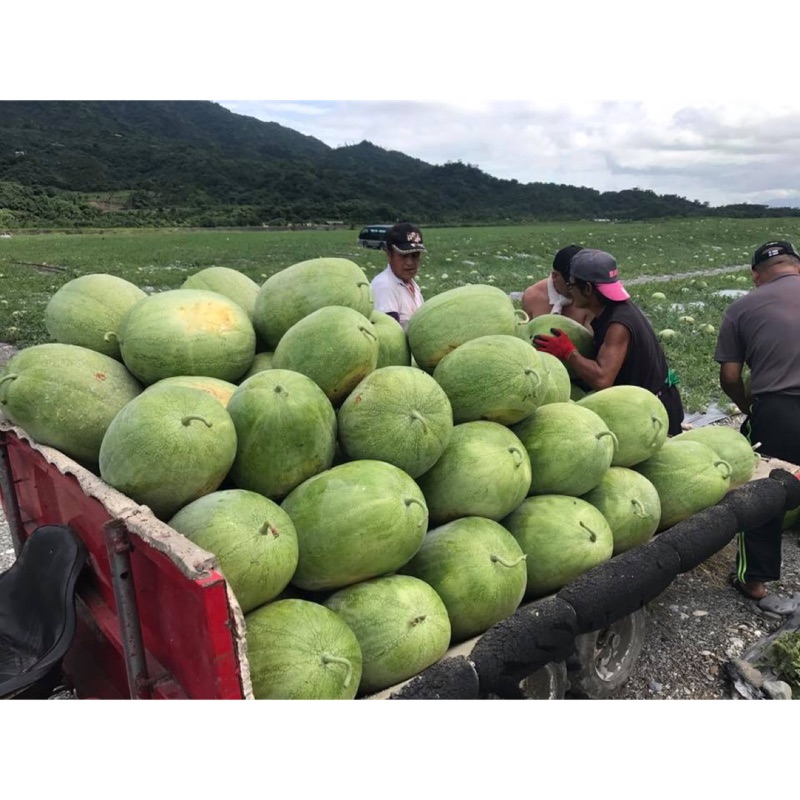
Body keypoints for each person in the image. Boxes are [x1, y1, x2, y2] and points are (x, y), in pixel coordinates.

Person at [714, 239, 800, 600]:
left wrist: (751, 408)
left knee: (765, 492)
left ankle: (754, 582)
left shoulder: (741, 308)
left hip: (781, 408)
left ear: (755, 275)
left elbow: (730, 377)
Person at [532, 248, 684, 435]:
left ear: (587, 289)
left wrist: (569, 353)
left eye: (571, 286)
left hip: (655, 413)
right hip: (642, 405)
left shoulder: (618, 324)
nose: (569, 293)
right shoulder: (612, 310)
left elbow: (602, 378)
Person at [370, 222, 426, 331]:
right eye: (403, 256)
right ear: (389, 254)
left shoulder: (411, 284)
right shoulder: (385, 287)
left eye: (415, 255)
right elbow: (390, 336)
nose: (410, 262)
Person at [521, 244, 594, 327]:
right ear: (555, 276)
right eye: (570, 284)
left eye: (581, 284)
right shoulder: (532, 296)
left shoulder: (592, 297)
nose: (577, 290)